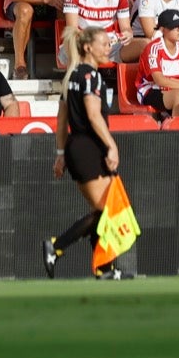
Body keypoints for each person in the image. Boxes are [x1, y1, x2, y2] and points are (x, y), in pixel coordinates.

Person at [44, 26, 124, 281]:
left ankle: (104, 269)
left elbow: (61, 120)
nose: (108, 48)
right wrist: (111, 145)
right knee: (106, 211)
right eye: (104, 43)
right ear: (88, 47)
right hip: (88, 147)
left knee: (104, 212)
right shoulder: (90, 76)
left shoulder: (71, 76)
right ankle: (57, 246)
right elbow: (93, 115)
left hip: (77, 147)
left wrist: (60, 153)